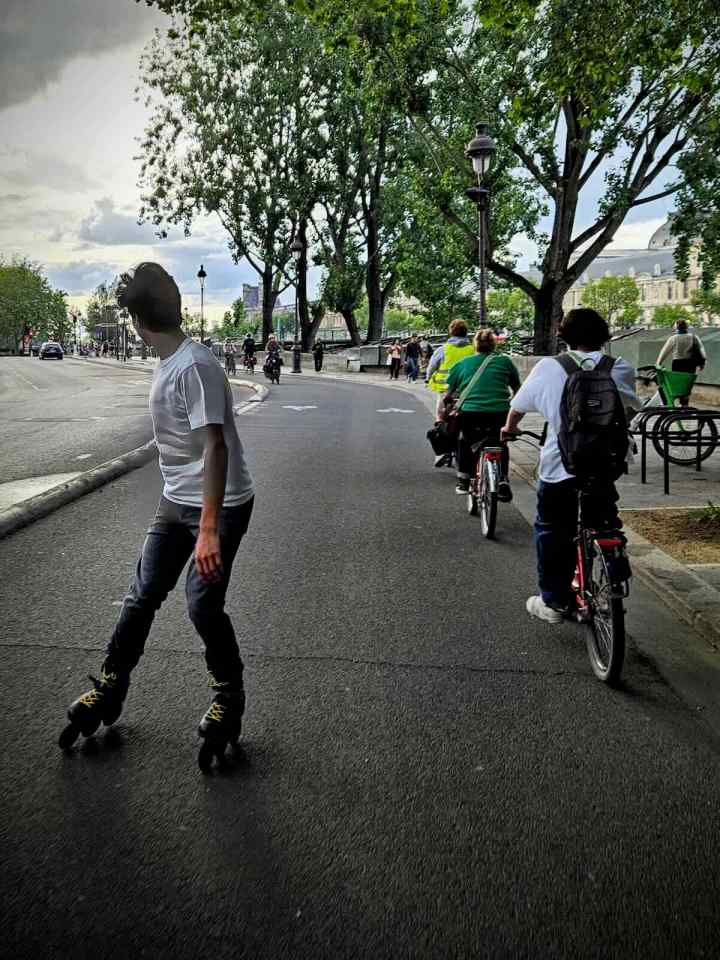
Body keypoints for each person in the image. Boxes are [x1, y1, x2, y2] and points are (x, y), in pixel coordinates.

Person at [60, 262, 255, 768]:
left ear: (138, 322)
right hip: (176, 501)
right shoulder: (169, 361)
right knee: (142, 594)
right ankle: (110, 686)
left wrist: (208, 530)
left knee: (201, 604)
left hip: (221, 504)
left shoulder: (194, 366)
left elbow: (215, 448)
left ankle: (229, 697)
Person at [501, 308, 640, 624]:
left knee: (551, 528)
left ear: (563, 336)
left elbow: (518, 407)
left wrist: (509, 429)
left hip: (560, 463)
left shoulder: (549, 367)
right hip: (605, 464)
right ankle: (610, 561)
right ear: (604, 336)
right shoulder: (619, 367)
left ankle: (554, 601)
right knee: (604, 521)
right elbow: (630, 409)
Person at [445, 328, 520, 498]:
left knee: (464, 440)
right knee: (501, 443)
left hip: (470, 413)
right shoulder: (505, 362)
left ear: (475, 345)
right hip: (499, 411)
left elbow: (448, 394)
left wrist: (448, 401)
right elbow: (517, 387)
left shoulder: (463, 364)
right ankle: (502, 480)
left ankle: (463, 480)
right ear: (494, 345)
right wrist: (510, 402)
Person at [426, 320, 475, 466]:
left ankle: (442, 452)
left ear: (451, 332)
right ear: (466, 332)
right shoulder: (473, 350)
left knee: (441, 418)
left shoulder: (443, 349)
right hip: (467, 391)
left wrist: (428, 378)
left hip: (446, 391)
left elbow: (431, 367)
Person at [657, 319, 706, 404]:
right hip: (690, 364)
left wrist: (658, 363)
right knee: (687, 385)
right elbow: (702, 351)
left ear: (676, 327)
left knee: (678, 384)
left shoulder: (673, 338)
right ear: (686, 327)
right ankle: (685, 402)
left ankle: (680, 401)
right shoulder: (694, 337)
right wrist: (702, 363)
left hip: (677, 364)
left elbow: (664, 352)